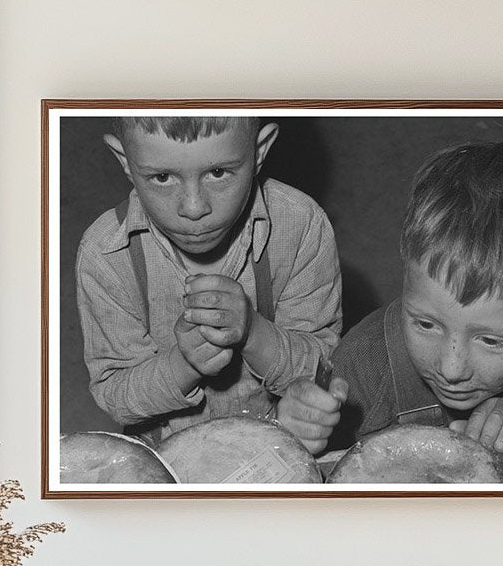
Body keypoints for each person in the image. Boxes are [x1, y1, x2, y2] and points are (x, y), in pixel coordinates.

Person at [277, 140, 503, 456]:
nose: (452, 369)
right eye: (426, 324)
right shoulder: (362, 367)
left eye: (490, 340)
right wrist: (295, 435)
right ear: (407, 279)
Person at [76, 115, 342, 440]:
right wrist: (183, 364)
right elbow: (116, 397)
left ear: (260, 150)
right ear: (125, 161)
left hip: (281, 435)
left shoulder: (301, 225)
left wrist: (254, 332)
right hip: (165, 448)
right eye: (162, 177)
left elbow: (325, 369)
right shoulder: (105, 253)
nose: (193, 207)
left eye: (218, 173)